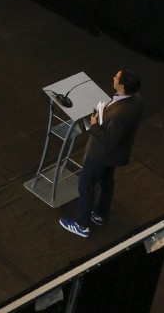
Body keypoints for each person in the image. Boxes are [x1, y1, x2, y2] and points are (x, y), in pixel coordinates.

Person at [61, 69, 145, 238]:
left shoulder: (119, 114)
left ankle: (81, 224)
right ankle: (99, 213)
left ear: (121, 85)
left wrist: (94, 125)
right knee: (106, 180)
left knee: (85, 183)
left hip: (102, 153)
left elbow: (109, 139)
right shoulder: (137, 100)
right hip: (116, 154)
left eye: (116, 77)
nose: (113, 77)